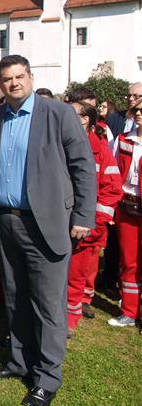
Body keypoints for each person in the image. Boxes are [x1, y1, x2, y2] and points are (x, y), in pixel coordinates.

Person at [0, 55, 96, 406]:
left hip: (45, 222)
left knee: (48, 304)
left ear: (30, 77)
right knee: (15, 296)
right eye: (7, 79)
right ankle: (20, 361)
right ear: (0, 84)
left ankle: (47, 376)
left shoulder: (58, 114)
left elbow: (83, 166)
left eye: (19, 77)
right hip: (7, 220)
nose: (14, 83)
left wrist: (83, 215)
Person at [65, 102, 122, 332]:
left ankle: (69, 321)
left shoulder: (101, 150)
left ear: (87, 119)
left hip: (85, 229)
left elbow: (111, 191)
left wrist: (92, 223)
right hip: (59, 223)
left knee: (75, 277)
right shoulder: (60, 145)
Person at [110, 98, 142, 328]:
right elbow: (113, 173)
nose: (139, 113)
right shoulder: (123, 140)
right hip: (127, 207)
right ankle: (129, 311)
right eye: (136, 110)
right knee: (129, 261)